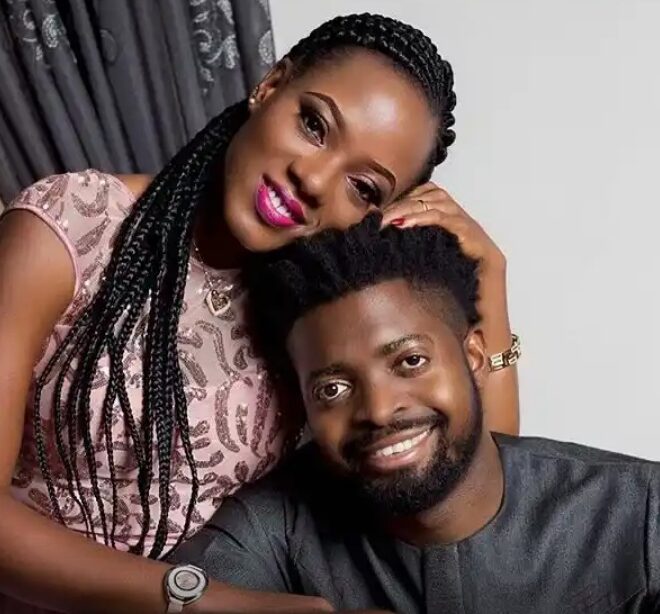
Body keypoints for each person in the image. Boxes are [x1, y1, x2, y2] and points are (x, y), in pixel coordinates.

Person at [0, 13, 518, 614]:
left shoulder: (315, 323)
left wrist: (491, 284)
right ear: (270, 86)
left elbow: (467, 489)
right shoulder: (71, 228)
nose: (314, 178)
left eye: (363, 187)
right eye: (314, 125)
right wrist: (208, 603)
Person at [171, 213, 660, 613]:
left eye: (410, 361)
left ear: (474, 357)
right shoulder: (273, 526)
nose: (379, 410)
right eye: (333, 388)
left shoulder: (642, 514)